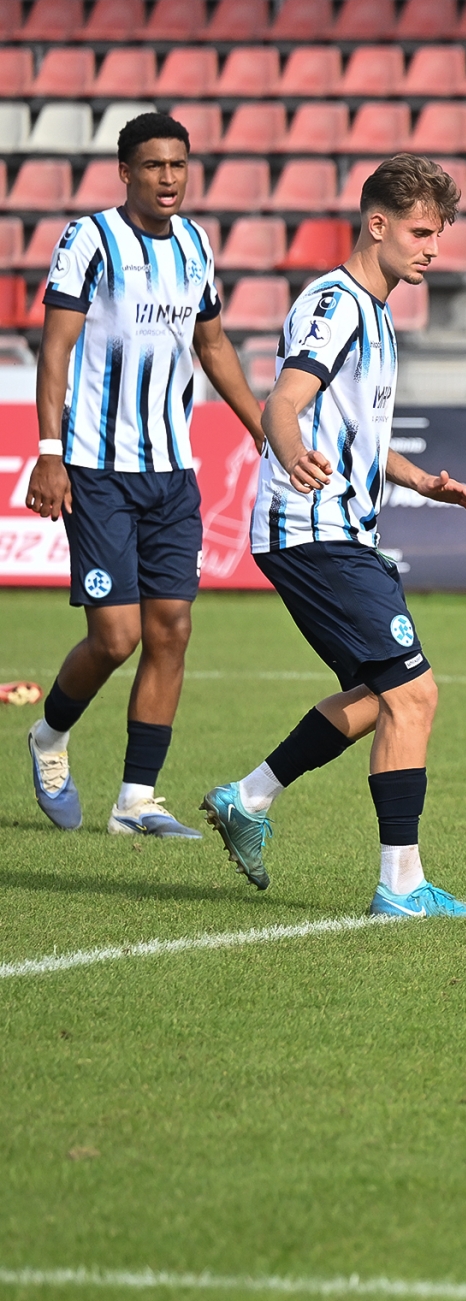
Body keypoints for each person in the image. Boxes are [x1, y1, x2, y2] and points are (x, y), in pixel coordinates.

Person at [198, 155, 466, 919]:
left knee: (377, 697)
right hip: (311, 527)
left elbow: (356, 432)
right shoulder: (336, 304)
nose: (433, 248)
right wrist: (292, 451)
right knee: (414, 693)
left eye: (439, 234)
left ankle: (248, 798)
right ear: (378, 224)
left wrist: (419, 479)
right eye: (422, 233)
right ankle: (401, 886)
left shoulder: (378, 312)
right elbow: (283, 402)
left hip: (341, 528)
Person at [22, 112, 265, 836]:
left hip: (172, 471)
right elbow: (56, 349)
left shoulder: (195, 245)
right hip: (98, 469)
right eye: (154, 165)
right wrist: (49, 450)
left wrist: (262, 428)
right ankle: (49, 736)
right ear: (126, 172)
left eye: (178, 165)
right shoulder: (89, 239)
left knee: (172, 630)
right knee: (116, 637)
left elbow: (212, 344)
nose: (168, 178)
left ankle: (136, 800)